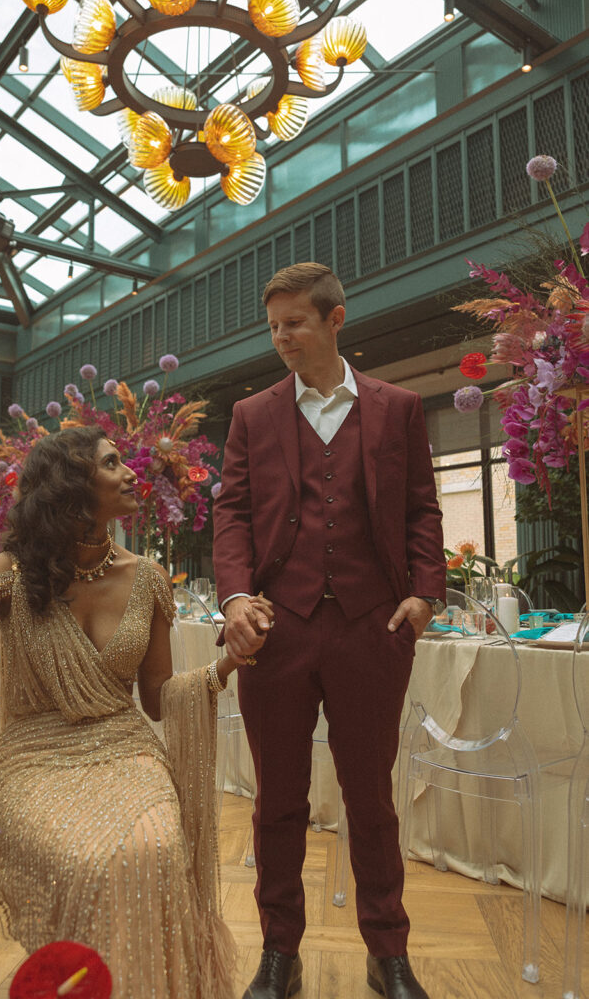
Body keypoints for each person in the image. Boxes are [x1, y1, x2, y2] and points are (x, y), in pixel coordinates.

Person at [0, 426, 271, 999]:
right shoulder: (8, 571)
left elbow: (155, 699)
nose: (131, 472)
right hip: (31, 758)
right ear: (70, 485)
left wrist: (226, 666)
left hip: (126, 749)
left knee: (153, 846)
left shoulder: (147, 577)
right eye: (112, 463)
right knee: (86, 859)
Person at [212, 263, 446, 999]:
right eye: (274, 325)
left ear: (335, 319)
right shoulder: (251, 414)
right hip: (276, 631)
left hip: (370, 626)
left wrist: (424, 596)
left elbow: (420, 508)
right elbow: (233, 515)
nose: (281, 337)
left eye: (295, 323)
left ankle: (388, 954)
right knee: (275, 801)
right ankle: (279, 952)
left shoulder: (397, 406)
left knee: (369, 798)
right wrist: (235, 598)